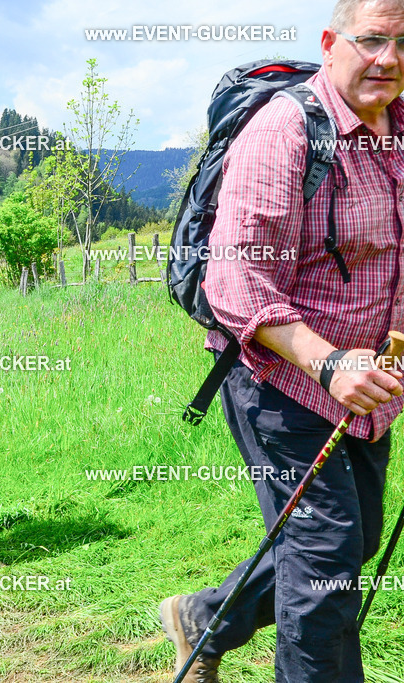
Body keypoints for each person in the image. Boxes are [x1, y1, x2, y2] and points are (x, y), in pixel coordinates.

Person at [159, 2, 404, 681]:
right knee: (325, 566)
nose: (388, 57)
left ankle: (201, 618)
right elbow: (238, 281)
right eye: (372, 39)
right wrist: (328, 365)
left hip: (371, 388)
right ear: (331, 44)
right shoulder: (285, 131)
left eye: (403, 42)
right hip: (282, 377)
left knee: (347, 544)